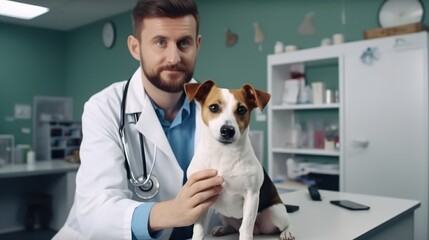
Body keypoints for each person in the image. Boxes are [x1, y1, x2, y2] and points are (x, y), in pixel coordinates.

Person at [53, 0, 224, 239]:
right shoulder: (104, 108)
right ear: (135, 48)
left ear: (197, 45)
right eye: (160, 42)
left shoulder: (221, 108)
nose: (173, 57)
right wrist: (171, 213)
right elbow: (96, 211)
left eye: (183, 42)